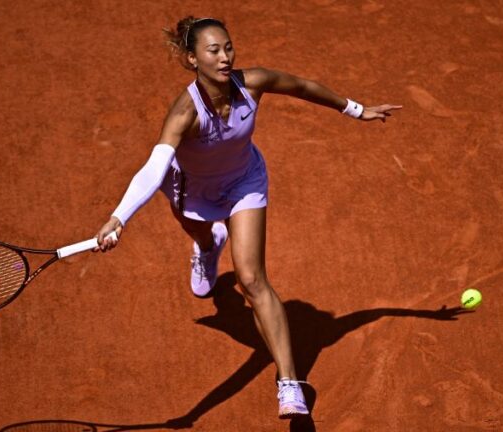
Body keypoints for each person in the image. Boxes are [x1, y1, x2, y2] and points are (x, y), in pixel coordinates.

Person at [94, 16, 401, 419]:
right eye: (213, 50)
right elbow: (154, 169)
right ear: (192, 59)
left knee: (252, 279)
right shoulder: (185, 112)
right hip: (193, 190)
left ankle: (289, 384)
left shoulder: (251, 83)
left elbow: (302, 87)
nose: (225, 57)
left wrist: (355, 110)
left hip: (244, 181)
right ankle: (208, 246)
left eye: (228, 47)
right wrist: (119, 217)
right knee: (200, 232)